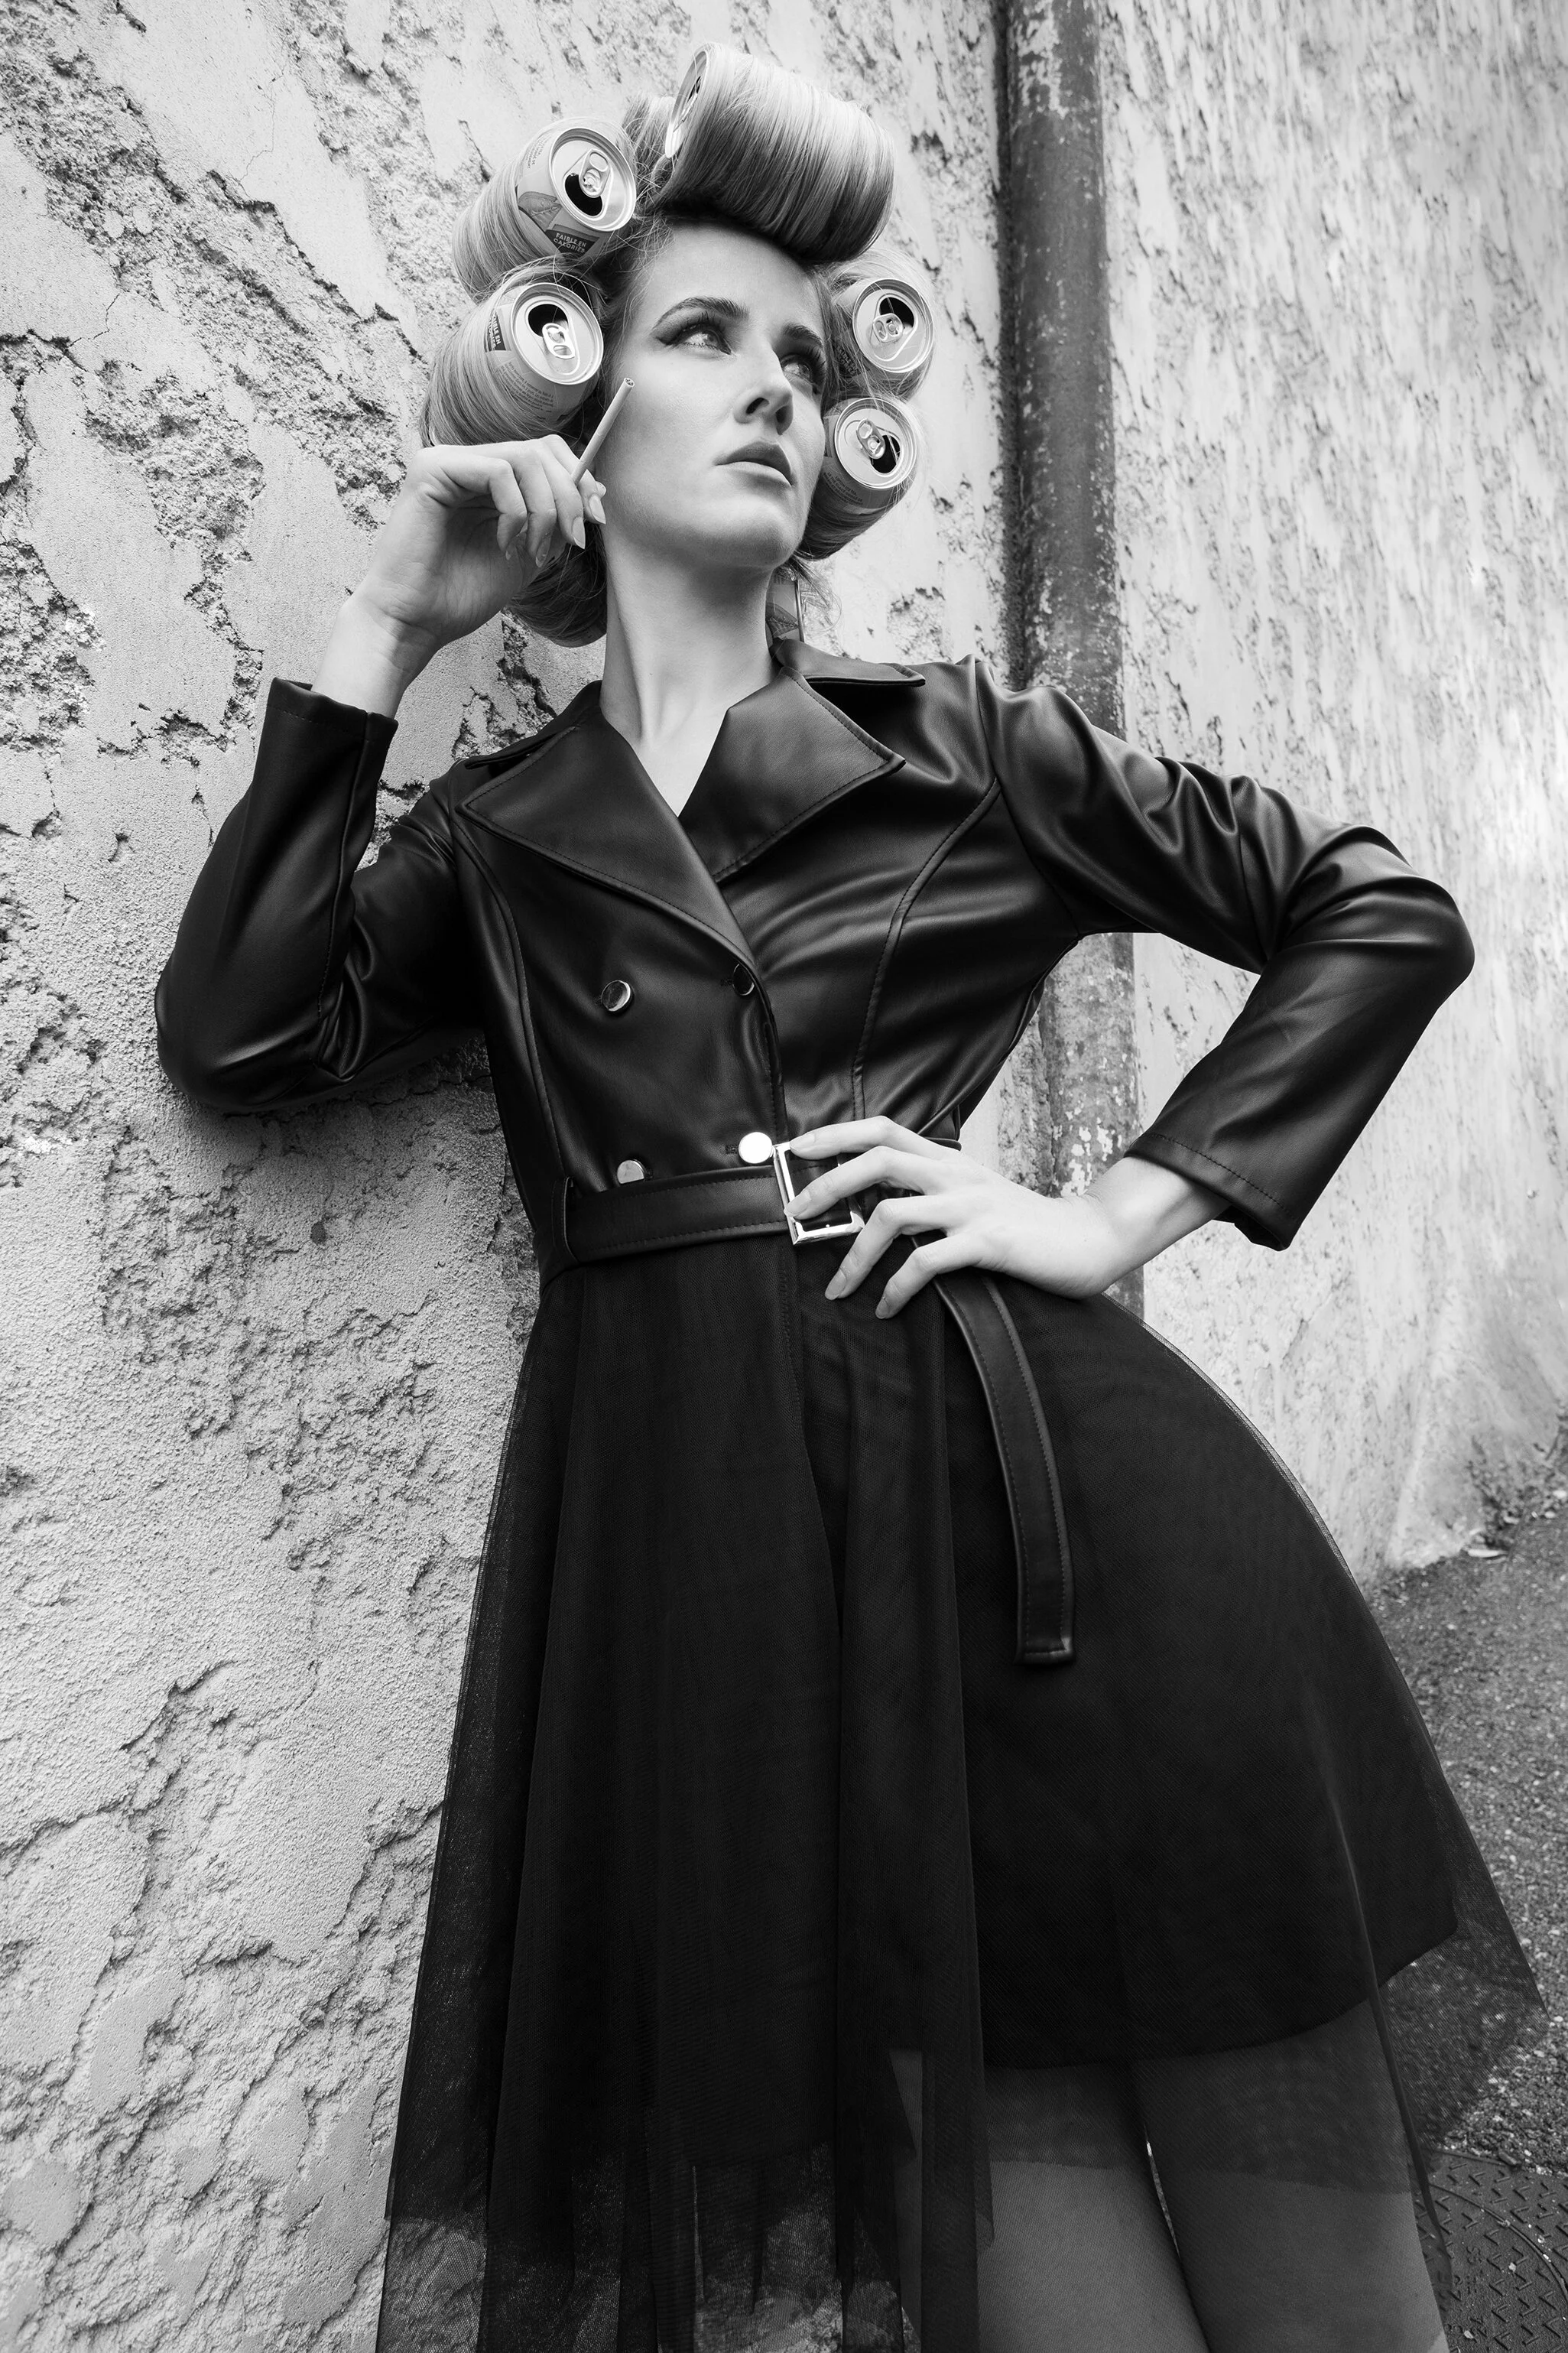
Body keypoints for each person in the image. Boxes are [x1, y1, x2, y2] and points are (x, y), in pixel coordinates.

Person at [155, 47, 1537, 2353]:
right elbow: (243, 1029)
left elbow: (1370, 907)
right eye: (703, 337)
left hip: (1065, 1561)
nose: (776, 388)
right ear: (578, 418)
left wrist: (1116, 1207)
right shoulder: (501, 846)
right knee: (1026, 2278)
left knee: (1332, 2299)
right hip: (764, 1624)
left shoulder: (960, 748)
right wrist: (385, 630)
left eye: (808, 355)